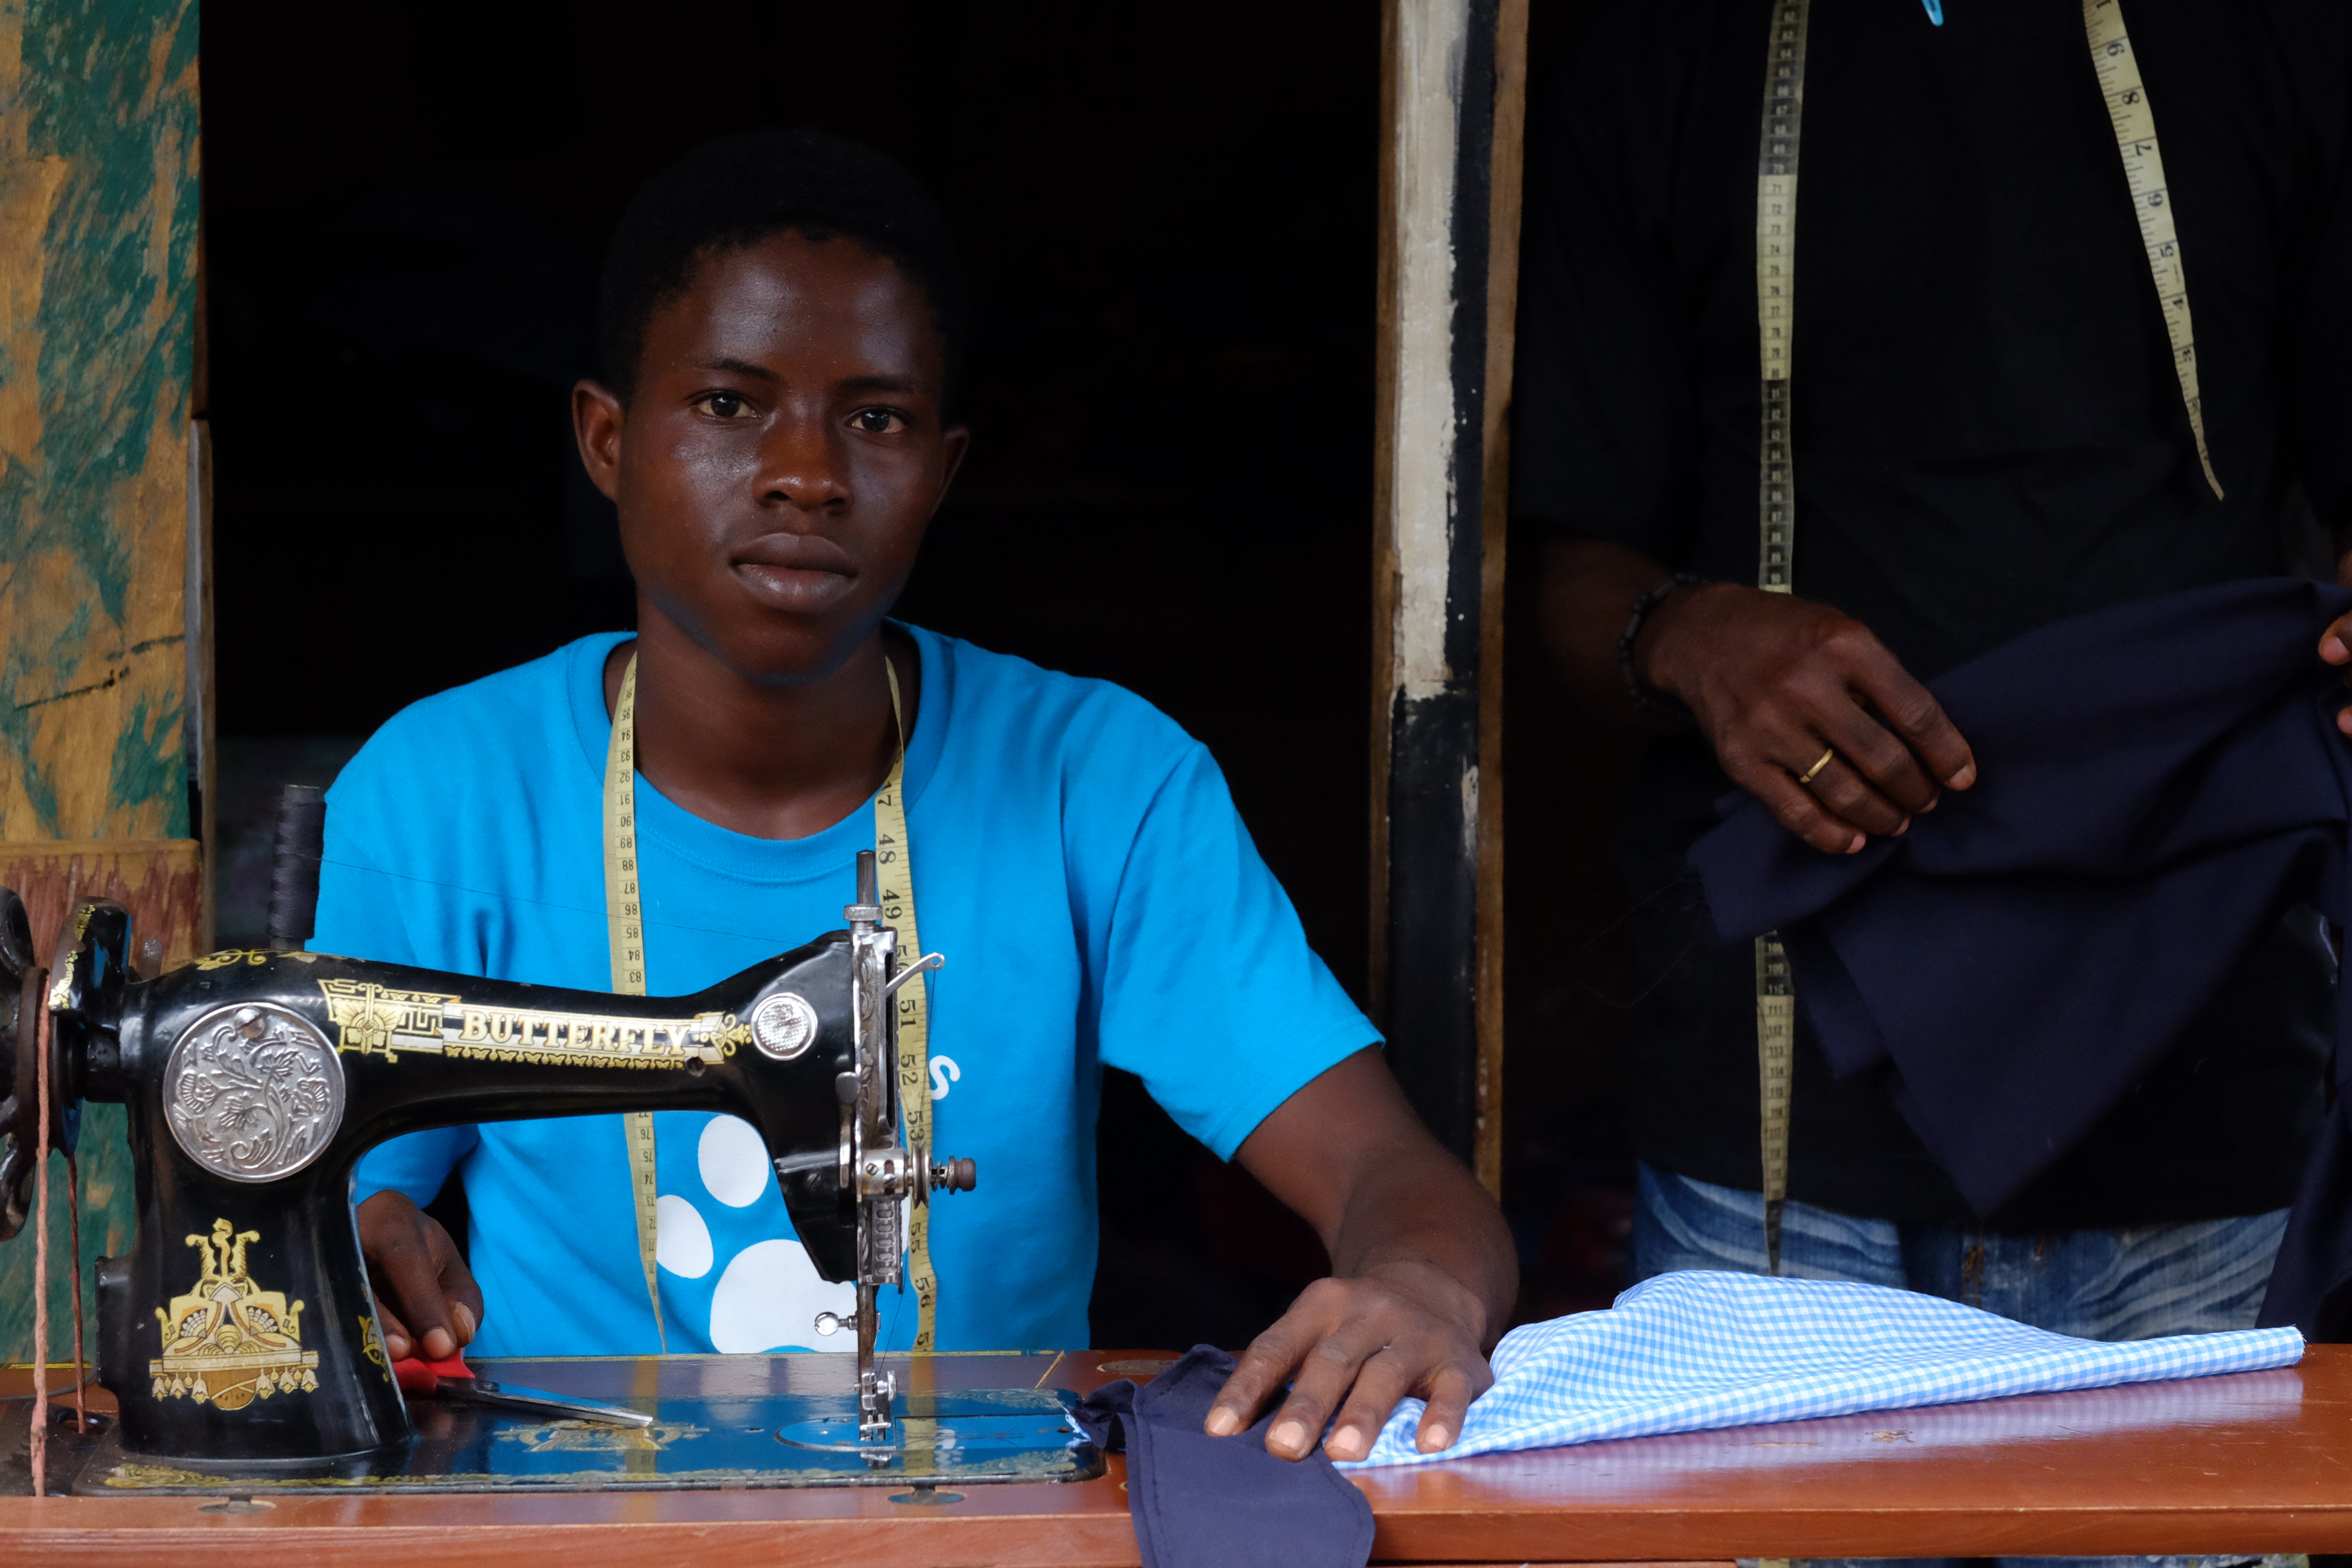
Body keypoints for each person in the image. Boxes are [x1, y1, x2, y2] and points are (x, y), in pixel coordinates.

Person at [317, 128, 1513, 1462]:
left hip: (1002, 1525)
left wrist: (1419, 1286)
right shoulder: (443, 793)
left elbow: (1389, 1174)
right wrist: (362, 1251)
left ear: (941, 471)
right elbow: (359, 1199)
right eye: (729, 405)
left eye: (874, 419)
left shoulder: (1097, 780)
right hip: (572, 1525)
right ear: (606, 440)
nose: (807, 474)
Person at [1520, 0, 2351, 1338]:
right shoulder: (1661, 48)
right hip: (1779, 1125)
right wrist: (1683, 631)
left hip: (2206, 1096)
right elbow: (1567, 576)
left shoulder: (2282, 39)